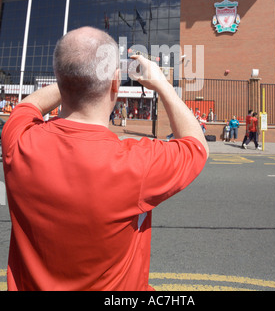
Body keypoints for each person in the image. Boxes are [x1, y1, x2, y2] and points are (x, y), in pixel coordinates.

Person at [2, 26, 208, 292]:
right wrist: (162, 84)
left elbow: (27, 106)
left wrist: (74, 73)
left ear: (59, 77)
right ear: (115, 82)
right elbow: (196, 146)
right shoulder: (136, 163)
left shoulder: (17, 139)